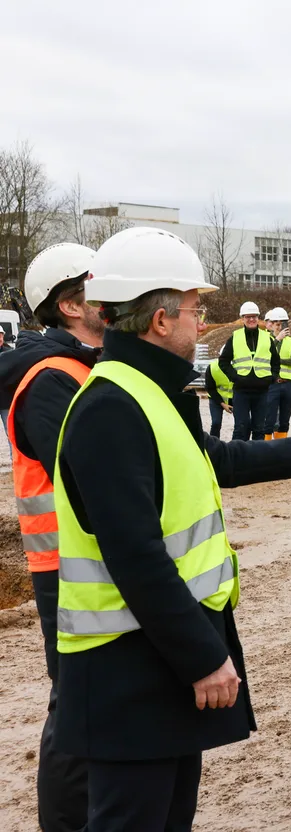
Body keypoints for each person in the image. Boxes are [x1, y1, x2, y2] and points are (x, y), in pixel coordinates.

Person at [51, 226, 291, 832]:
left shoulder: (148, 391)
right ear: (162, 321)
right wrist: (203, 657)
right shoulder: (110, 408)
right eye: (196, 310)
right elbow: (135, 555)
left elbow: (210, 459)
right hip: (128, 668)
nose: (202, 323)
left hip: (156, 657)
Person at [0, 242, 103, 832]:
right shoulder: (50, 380)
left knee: (94, 703)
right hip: (67, 569)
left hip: (83, 565)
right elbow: (90, 481)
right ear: (69, 305)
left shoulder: (81, 369)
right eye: (99, 285)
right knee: (77, 707)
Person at [217, 301, 279, 441]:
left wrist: (272, 378)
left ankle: (257, 461)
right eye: (248, 317)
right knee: (241, 427)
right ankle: (238, 459)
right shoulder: (235, 337)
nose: (251, 319)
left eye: (254, 316)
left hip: (261, 392)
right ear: (242, 318)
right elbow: (223, 361)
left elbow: (276, 362)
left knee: (259, 429)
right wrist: (235, 377)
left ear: (258, 318)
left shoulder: (267, 338)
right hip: (241, 391)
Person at [261, 306, 291, 439]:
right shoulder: (265, 339)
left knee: (284, 421)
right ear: (272, 324)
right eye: (277, 324)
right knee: (269, 419)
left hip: (288, 384)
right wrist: (277, 340)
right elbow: (265, 356)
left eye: (283, 324)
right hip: (272, 384)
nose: (280, 327)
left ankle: (281, 449)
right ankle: (266, 449)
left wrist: (278, 360)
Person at [204, 361, 233, 438]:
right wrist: (222, 403)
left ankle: (239, 446)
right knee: (216, 423)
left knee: (242, 424)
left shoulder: (240, 366)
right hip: (216, 399)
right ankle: (213, 446)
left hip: (235, 398)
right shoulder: (212, 367)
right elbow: (210, 388)